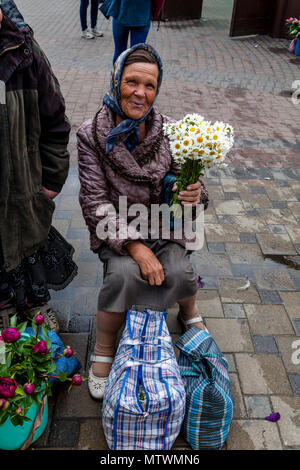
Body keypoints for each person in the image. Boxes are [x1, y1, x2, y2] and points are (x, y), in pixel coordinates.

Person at [77, 43, 209, 400]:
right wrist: (135, 247)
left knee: (180, 271)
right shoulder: (91, 134)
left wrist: (192, 192)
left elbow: (191, 184)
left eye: (150, 85)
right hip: (119, 229)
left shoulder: (171, 131)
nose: (140, 92)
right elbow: (94, 202)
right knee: (122, 275)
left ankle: (189, 311)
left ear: (157, 88)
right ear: (116, 81)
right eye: (132, 82)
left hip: (164, 226)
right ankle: (104, 349)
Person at [0, 0, 77, 332]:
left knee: (27, 240)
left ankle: (34, 301)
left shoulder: (24, 52)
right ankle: (3, 304)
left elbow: (55, 120)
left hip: (24, 184)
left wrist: (52, 179)